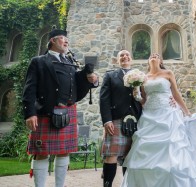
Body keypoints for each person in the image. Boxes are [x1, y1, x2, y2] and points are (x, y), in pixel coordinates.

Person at [120, 53, 196, 187]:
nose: (153, 56)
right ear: (148, 61)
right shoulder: (143, 77)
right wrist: (136, 96)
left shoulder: (168, 73)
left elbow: (176, 94)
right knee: (145, 148)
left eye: (157, 55)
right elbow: (144, 99)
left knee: (172, 146)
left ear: (160, 61)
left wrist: (186, 112)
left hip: (168, 113)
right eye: (151, 56)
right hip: (149, 116)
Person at [22, 26, 98, 187]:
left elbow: (77, 83)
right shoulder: (39, 61)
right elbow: (29, 88)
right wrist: (30, 113)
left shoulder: (69, 61)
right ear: (52, 41)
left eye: (67, 40)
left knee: (64, 151)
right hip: (45, 112)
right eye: (63, 39)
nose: (66, 42)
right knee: (41, 152)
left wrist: (90, 79)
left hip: (67, 110)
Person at [99, 50, 143, 187]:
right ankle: (107, 185)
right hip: (117, 118)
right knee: (111, 154)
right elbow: (104, 99)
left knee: (130, 156)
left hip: (136, 120)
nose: (124, 57)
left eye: (127, 55)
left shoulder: (141, 76)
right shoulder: (110, 76)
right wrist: (107, 120)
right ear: (118, 60)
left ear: (131, 59)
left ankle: (127, 184)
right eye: (121, 56)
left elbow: (147, 97)